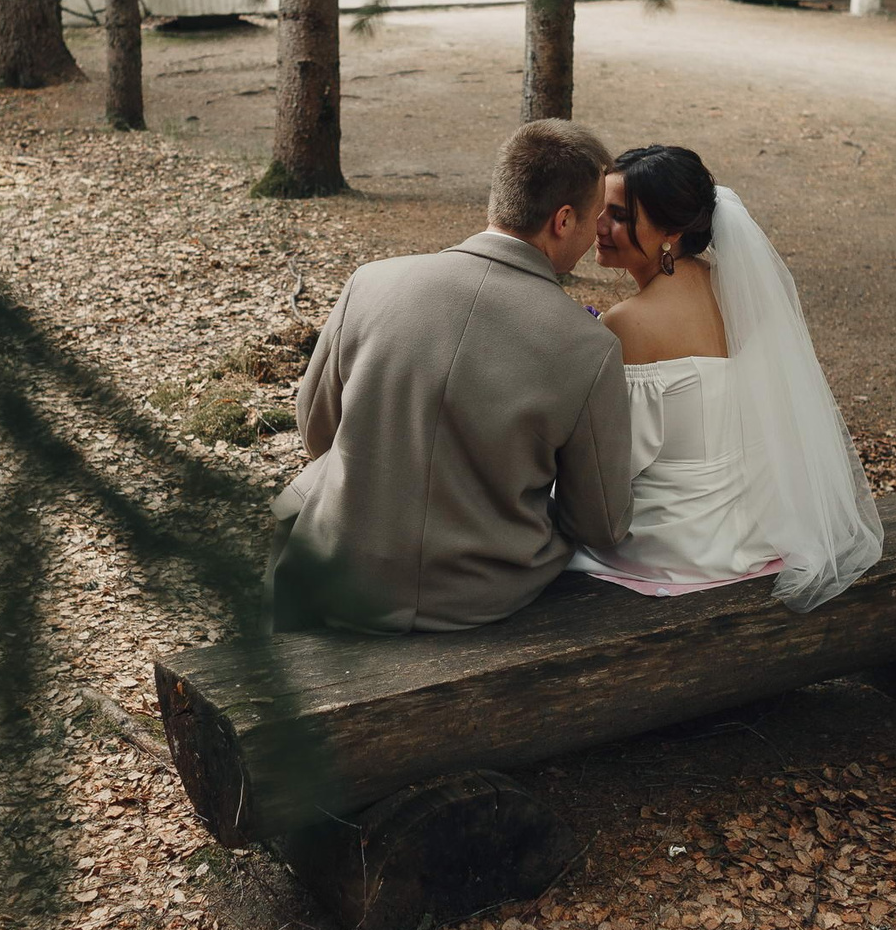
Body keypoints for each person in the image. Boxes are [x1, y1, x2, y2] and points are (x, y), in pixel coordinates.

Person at [268, 121, 633, 634]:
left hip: (341, 571)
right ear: (563, 219)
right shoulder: (588, 346)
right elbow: (599, 522)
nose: (597, 233)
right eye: (595, 219)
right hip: (482, 593)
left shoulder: (371, 283)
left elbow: (316, 433)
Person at [570, 144, 883, 611]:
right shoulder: (735, 288)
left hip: (673, 545)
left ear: (671, 232)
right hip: (751, 528)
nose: (598, 227)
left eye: (618, 215)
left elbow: (614, 464)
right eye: (599, 209)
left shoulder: (629, 323)